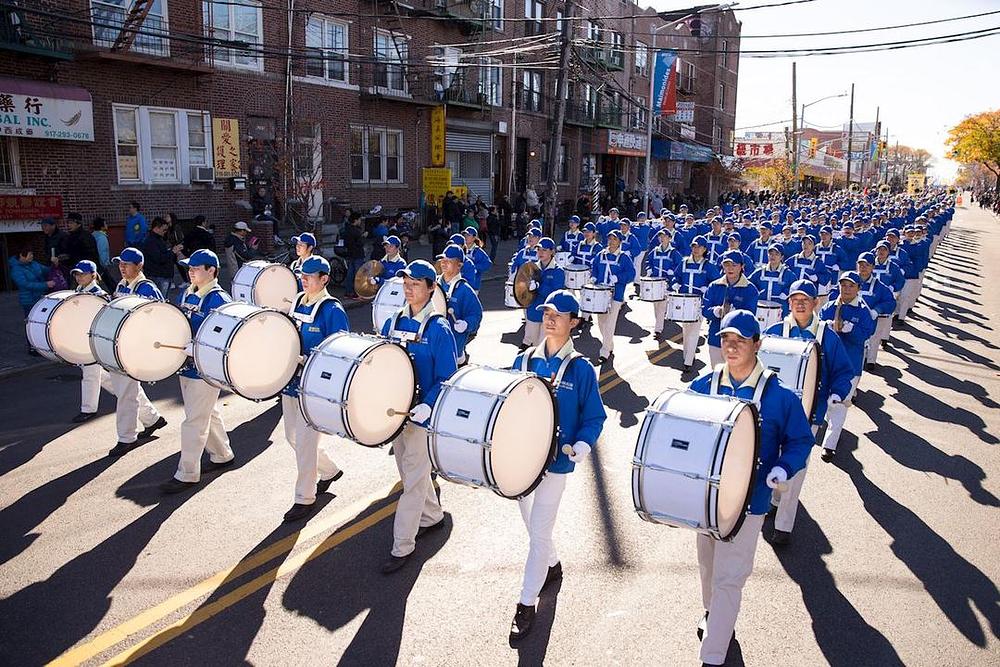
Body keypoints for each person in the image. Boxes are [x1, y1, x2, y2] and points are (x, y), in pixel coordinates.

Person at [688, 309, 813, 666]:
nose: (731, 346)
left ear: (756, 345)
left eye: (740, 340)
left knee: (730, 576)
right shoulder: (704, 384)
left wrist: (783, 467)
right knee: (708, 567)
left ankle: (713, 654)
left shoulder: (780, 396)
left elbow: (800, 442)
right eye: (726, 339)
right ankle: (714, 615)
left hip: (751, 502)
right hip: (706, 499)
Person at [508, 290, 607, 641]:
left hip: (555, 465)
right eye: (547, 312)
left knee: (537, 532)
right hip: (520, 462)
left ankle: (525, 602)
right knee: (533, 527)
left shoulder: (580, 369)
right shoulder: (525, 360)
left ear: (574, 322)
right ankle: (551, 564)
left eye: (559, 315)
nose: (550, 319)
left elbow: (595, 416)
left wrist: (582, 442)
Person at [380, 260, 458, 574]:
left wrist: (428, 404)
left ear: (430, 288)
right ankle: (433, 517)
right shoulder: (394, 320)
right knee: (411, 472)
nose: (409, 288)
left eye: (416, 283)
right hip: (397, 415)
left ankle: (402, 546)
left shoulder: (439, 328)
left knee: (411, 482)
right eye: (406, 282)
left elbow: (448, 377)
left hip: (421, 418)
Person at [764, 281, 854, 545]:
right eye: (795, 299)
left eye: (806, 299)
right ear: (789, 303)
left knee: (796, 469)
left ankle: (783, 526)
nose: (800, 303)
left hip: (807, 416)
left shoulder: (827, 336)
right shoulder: (774, 332)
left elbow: (843, 371)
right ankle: (773, 499)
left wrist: (837, 392)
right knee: (771, 462)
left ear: (816, 303)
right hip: (773, 414)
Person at [160, 250, 237, 495]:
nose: (190, 271)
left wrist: (199, 346)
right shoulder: (188, 292)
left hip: (205, 371)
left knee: (194, 421)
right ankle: (223, 454)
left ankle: (187, 473)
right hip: (187, 366)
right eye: (189, 268)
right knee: (206, 413)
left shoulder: (218, 300)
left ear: (212, 271)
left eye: (195, 268)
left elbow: (224, 338)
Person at [280, 256, 349, 521]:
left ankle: (304, 497)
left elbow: (340, 351)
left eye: (310, 276)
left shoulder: (332, 309)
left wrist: (313, 361)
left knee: (306, 443)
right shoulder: (297, 300)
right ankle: (329, 470)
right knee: (292, 438)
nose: (304, 279)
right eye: (302, 275)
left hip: (313, 387)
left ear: (325, 279)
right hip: (291, 382)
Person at [108, 247, 168, 457]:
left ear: (139, 265)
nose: (121, 267)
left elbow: (159, 319)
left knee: (125, 391)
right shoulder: (122, 285)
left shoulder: (147, 289)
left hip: (134, 349)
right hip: (120, 345)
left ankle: (126, 438)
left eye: (126, 264)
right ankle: (152, 419)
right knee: (120, 386)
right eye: (120, 263)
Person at [817, 271, 876, 461]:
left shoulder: (863, 310)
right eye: (843, 285)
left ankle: (829, 445)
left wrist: (851, 329)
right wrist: (823, 325)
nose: (847, 289)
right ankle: (830, 427)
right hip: (826, 363)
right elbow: (815, 325)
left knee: (839, 404)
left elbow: (867, 335)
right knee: (824, 401)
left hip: (849, 367)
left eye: (851, 286)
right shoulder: (829, 307)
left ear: (859, 288)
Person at [70, 260, 114, 423]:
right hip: (84, 339)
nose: (78, 277)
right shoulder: (79, 290)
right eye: (76, 273)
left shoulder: (99, 295)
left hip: (93, 340)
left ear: (93, 275)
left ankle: (88, 409)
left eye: (82, 273)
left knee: (90, 374)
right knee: (98, 376)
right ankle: (127, 396)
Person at [702, 250, 760, 368]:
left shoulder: (750, 289)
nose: (730, 268)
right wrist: (716, 311)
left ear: (742, 267)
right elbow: (704, 310)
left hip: (740, 343)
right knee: (717, 375)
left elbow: (750, 316)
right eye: (727, 265)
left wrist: (734, 314)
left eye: (734, 265)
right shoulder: (714, 286)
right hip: (716, 339)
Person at [672, 236, 719, 374]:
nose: (696, 249)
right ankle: (687, 355)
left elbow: (716, 283)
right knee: (686, 330)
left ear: (704, 249)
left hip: (699, 302)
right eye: (693, 246)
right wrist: (675, 282)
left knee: (694, 331)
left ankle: (688, 360)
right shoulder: (684, 262)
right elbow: (677, 276)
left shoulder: (709, 266)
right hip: (684, 300)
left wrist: (707, 288)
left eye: (699, 247)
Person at [590, 230, 635, 364]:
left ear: (620, 242)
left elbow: (631, 273)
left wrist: (619, 278)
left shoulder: (624, 257)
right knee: (601, 322)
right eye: (610, 238)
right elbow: (595, 267)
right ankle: (609, 344)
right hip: (600, 293)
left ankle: (604, 352)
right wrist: (594, 277)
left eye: (614, 239)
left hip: (615, 295)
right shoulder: (601, 254)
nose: (611, 241)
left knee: (609, 324)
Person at [437, 245, 483, 365]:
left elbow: (476, 314)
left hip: (454, 349)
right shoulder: (434, 285)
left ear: (459, 265)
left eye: (449, 261)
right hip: (434, 345)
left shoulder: (465, 290)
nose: (443, 264)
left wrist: (467, 324)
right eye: (443, 260)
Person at [521, 237, 566, 348]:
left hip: (548, 313)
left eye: (544, 250)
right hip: (533, 311)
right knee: (535, 343)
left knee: (543, 345)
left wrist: (538, 287)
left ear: (552, 251)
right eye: (539, 249)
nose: (540, 253)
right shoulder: (532, 267)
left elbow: (554, 294)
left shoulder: (558, 271)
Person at [856, 253, 897, 370]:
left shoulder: (880, 286)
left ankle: (871, 361)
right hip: (853, 317)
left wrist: (877, 310)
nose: (863, 268)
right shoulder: (849, 281)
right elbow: (835, 294)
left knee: (873, 339)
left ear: (873, 267)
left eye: (867, 265)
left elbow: (890, 302)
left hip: (873, 319)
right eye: (861, 265)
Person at [10, 250, 55, 356]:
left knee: (42, 323)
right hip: (29, 300)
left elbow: (47, 270)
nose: (32, 256)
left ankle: (42, 345)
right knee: (31, 324)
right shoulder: (16, 269)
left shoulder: (34, 264)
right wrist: (45, 285)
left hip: (41, 298)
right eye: (30, 254)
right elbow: (24, 284)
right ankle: (32, 347)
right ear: (22, 255)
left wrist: (55, 264)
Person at [643, 228, 682, 338]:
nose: (662, 238)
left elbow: (679, 266)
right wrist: (649, 269)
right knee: (656, 306)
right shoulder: (655, 250)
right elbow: (648, 262)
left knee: (661, 306)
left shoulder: (674, 252)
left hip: (667, 283)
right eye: (660, 236)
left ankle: (658, 329)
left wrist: (672, 271)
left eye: (664, 236)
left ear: (670, 238)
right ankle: (659, 323)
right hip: (655, 282)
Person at [142, 217, 183, 297]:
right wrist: (172, 252)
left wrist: (172, 252)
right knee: (160, 300)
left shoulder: (157, 239)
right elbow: (159, 258)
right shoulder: (151, 241)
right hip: (159, 275)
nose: (165, 232)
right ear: (157, 228)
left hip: (161, 275)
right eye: (164, 230)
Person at [748, 244, 793, 316]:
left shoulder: (788, 274)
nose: (773, 256)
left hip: (780, 311)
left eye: (776, 254)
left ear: (781, 257)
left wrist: (786, 292)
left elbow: (795, 287)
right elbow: (749, 284)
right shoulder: (760, 271)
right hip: (760, 310)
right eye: (771, 254)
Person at [342, 214, 367, 298]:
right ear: (355, 220)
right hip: (358, 254)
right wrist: (363, 237)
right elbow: (360, 243)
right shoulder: (356, 231)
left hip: (350, 253)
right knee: (358, 274)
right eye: (359, 219)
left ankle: (348, 292)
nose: (360, 221)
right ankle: (357, 293)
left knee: (350, 273)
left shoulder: (346, 229)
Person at [461, 227, 493, 292]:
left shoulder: (478, 251)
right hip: (461, 284)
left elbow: (488, 264)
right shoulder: (460, 249)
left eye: (468, 235)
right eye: (465, 235)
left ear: (474, 238)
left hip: (473, 286)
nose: (466, 237)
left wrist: (474, 267)